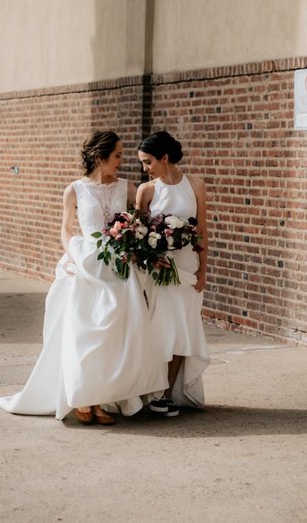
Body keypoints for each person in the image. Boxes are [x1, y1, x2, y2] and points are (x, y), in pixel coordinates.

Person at [0, 131, 168, 424]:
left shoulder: (128, 189)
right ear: (101, 157)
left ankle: (100, 399)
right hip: (85, 262)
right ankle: (83, 398)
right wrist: (72, 256)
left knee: (112, 334)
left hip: (117, 266)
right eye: (117, 155)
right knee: (84, 334)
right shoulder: (74, 190)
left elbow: (144, 222)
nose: (122, 161)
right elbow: (65, 228)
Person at [136, 130, 210, 416]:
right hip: (159, 271)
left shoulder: (196, 185)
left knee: (182, 329)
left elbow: (201, 231)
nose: (145, 168)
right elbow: (137, 234)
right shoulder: (147, 190)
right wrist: (152, 258)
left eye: (148, 161)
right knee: (160, 329)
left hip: (187, 268)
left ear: (164, 157)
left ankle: (166, 393)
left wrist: (203, 268)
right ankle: (150, 390)